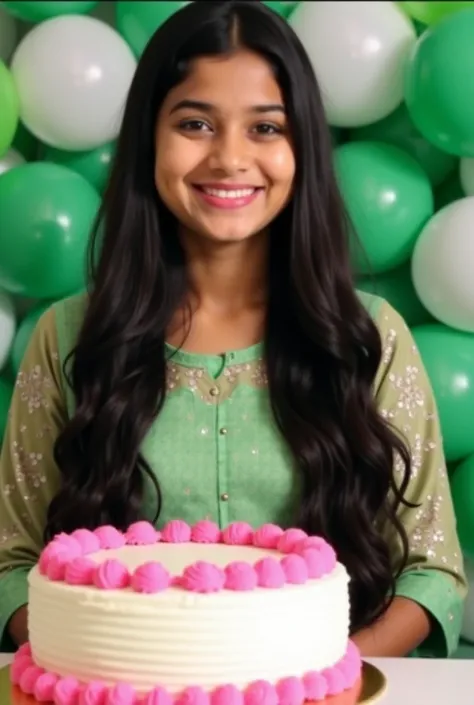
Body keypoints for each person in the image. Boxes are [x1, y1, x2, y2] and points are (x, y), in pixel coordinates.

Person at [0, 0, 466, 658]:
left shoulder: (367, 336)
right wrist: (104, 665)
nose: (229, 158)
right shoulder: (71, 334)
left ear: (302, 146)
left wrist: (322, 684)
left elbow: (432, 572)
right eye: (195, 123)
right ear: (148, 138)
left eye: (265, 129)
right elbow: (12, 562)